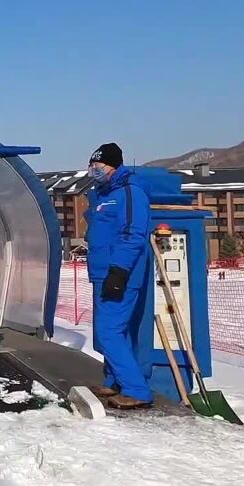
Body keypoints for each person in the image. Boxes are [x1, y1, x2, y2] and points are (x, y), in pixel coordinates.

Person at [84, 142, 153, 410]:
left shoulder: (130, 192)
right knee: (111, 331)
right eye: (92, 166)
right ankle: (114, 381)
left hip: (120, 274)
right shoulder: (104, 194)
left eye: (98, 167)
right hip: (103, 273)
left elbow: (133, 234)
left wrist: (119, 270)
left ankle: (136, 389)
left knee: (109, 330)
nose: (93, 171)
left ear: (113, 166)